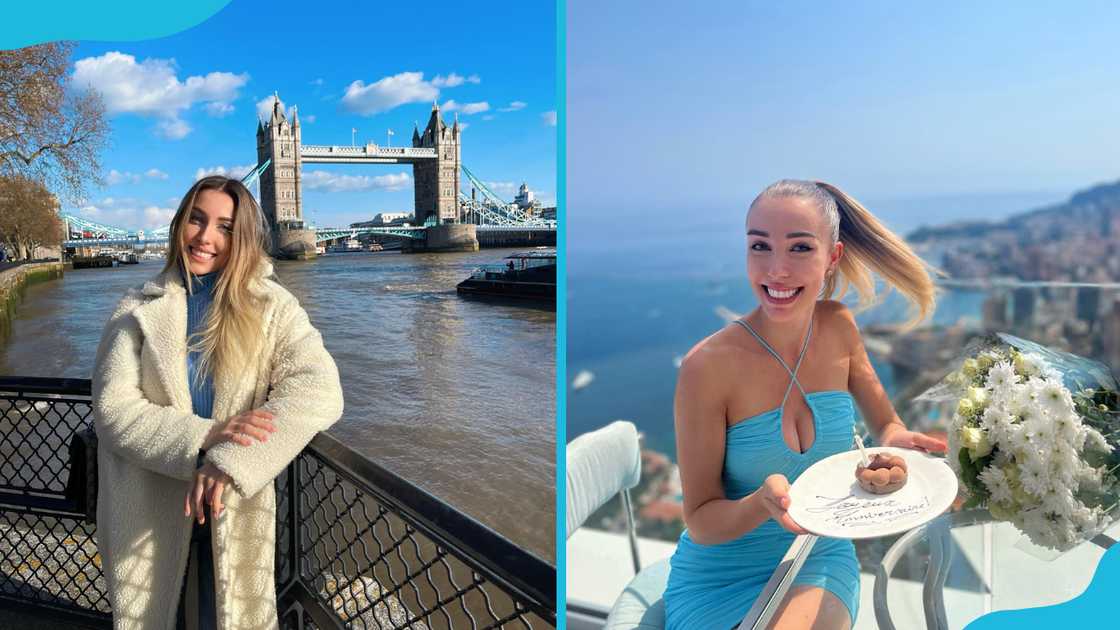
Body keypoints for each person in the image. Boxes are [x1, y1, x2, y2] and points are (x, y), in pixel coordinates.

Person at [663, 180, 948, 629]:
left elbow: (886, 424)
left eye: (799, 248)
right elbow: (700, 521)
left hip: (820, 554)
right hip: (717, 577)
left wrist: (898, 438)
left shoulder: (838, 327)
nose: (776, 270)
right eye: (760, 246)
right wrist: (760, 504)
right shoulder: (706, 367)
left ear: (831, 257)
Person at [91, 175, 344, 629]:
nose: (206, 237)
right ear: (178, 224)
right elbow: (113, 412)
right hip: (151, 506)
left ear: (243, 237)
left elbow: (319, 389)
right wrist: (204, 435)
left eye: (225, 227)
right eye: (197, 219)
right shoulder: (134, 309)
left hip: (232, 504)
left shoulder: (273, 307)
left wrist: (228, 459)